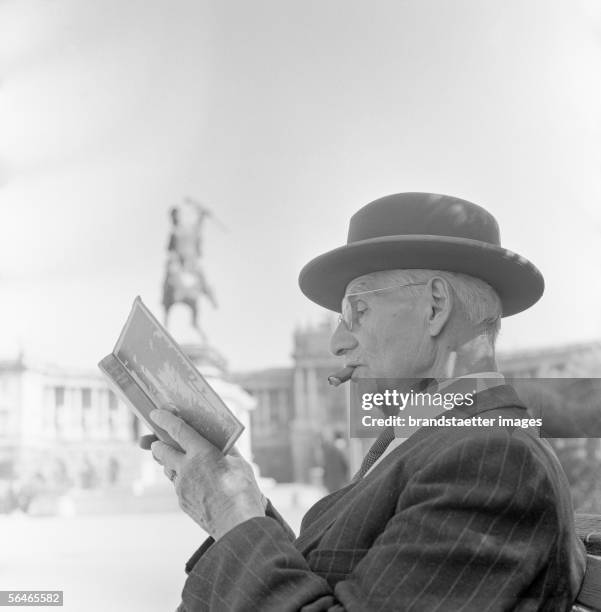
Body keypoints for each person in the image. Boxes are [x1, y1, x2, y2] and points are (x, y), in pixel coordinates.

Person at [146, 193, 587, 611]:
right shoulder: (430, 439)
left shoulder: (492, 462)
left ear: (435, 307)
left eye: (358, 311)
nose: (337, 343)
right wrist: (239, 498)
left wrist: (233, 517)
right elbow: (338, 575)